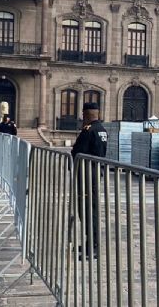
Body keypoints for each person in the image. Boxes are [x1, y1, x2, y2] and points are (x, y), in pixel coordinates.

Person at [71, 102, 108, 259]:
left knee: (86, 210)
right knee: (90, 209)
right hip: (95, 172)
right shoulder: (102, 129)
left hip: (86, 174)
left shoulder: (88, 131)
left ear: (85, 115)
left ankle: (93, 246)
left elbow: (78, 151)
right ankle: (90, 242)